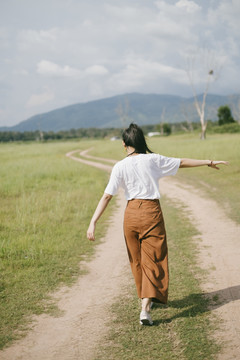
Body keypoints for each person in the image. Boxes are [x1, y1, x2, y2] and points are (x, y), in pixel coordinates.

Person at [87, 123, 228, 326]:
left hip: (131, 214)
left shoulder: (119, 166)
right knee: (154, 258)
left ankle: (146, 299)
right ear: (141, 141)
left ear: (124, 144)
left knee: (136, 259)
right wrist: (209, 161)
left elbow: (107, 196)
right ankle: (146, 306)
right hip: (151, 212)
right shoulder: (154, 160)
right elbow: (182, 162)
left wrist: (93, 222)